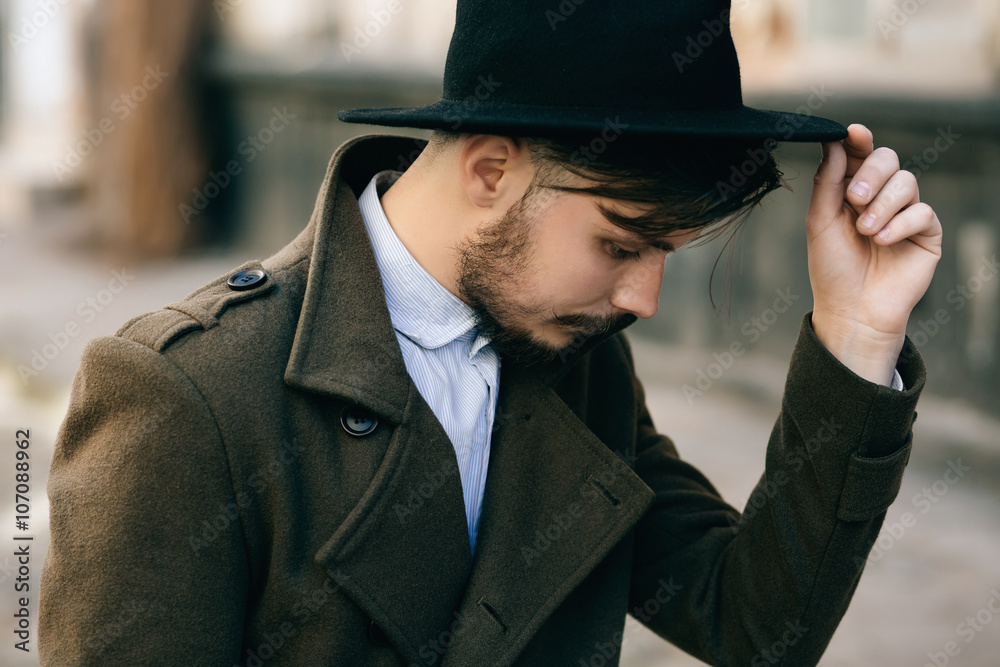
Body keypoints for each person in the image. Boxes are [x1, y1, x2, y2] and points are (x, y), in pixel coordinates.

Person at [39, 1, 942, 665]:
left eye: (668, 252)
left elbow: (754, 623)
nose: (645, 298)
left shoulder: (578, 362)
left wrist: (856, 336)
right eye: (621, 243)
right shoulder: (185, 393)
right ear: (491, 169)